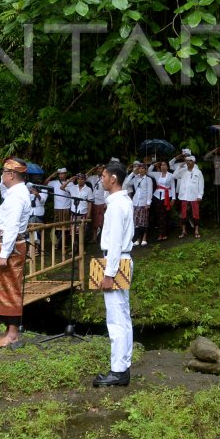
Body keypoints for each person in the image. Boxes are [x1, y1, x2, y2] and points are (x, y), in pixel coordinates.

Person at [0, 158, 33, 348]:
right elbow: (4, 190)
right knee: (2, 288)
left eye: (4, 172)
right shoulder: (15, 192)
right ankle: (8, 331)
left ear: (12, 174)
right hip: (4, 245)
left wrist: (4, 254)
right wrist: (4, 178)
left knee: (9, 288)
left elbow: (12, 226)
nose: (1, 175)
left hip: (8, 248)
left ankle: (12, 334)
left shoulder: (17, 197)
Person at [94, 161, 134, 387]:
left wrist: (109, 273)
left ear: (114, 179)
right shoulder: (122, 202)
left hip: (116, 260)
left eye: (103, 176)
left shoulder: (117, 205)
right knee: (123, 315)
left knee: (116, 318)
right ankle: (123, 365)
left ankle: (118, 371)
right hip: (121, 259)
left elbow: (116, 240)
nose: (101, 179)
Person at [176, 156, 204, 239]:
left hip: (194, 197)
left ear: (194, 162)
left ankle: (196, 231)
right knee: (183, 215)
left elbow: (201, 185)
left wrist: (200, 196)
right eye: (187, 161)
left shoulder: (198, 172)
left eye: (190, 161)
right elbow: (175, 175)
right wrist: (180, 166)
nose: (188, 162)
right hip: (184, 196)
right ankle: (184, 231)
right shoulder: (183, 172)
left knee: (195, 214)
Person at [128, 162, 153, 247]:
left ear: (146, 170)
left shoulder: (148, 179)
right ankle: (138, 239)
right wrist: (133, 172)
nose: (141, 170)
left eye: (143, 168)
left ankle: (144, 238)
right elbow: (127, 183)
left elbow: (150, 191)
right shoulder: (135, 178)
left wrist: (148, 203)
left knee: (144, 221)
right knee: (137, 222)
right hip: (136, 202)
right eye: (140, 168)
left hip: (144, 202)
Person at [150, 160, 174, 241]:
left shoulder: (170, 175)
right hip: (157, 196)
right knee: (159, 215)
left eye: (164, 165)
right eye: (162, 165)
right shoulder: (157, 174)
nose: (163, 166)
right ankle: (160, 233)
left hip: (167, 196)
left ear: (167, 167)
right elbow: (148, 172)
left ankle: (165, 233)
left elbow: (173, 187)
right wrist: (153, 165)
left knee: (165, 215)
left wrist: (173, 198)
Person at [89, 165, 108, 243]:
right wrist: (93, 168)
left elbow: (107, 191)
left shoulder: (106, 178)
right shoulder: (93, 178)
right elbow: (85, 176)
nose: (99, 170)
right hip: (94, 202)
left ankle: (102, 239)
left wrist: (106, 203)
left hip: (102, 202)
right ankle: (94, 238)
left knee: (102, 222)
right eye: (98, 168)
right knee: (94, 222)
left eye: (101, 168)